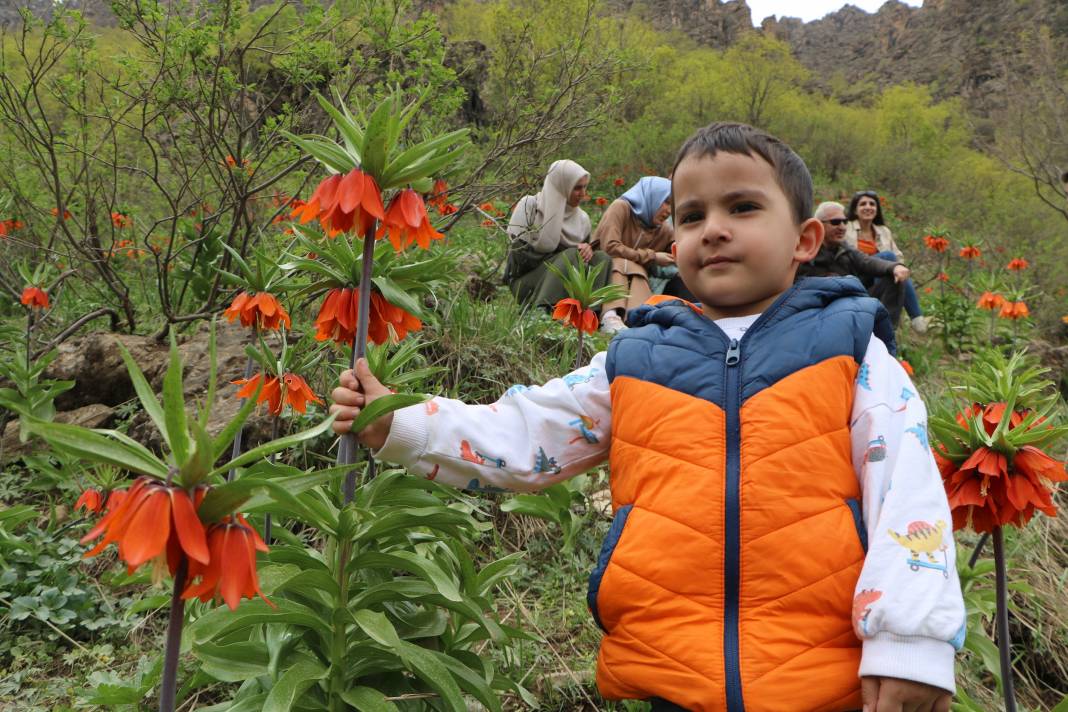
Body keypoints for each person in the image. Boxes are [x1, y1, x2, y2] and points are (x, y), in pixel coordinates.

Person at [330, 123, 964, 712]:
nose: (713, 228)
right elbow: (528, 430)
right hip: (669, 670)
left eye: (742, 208)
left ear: (804, 240)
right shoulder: (636, 355)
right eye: (692, 216)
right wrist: (401, 422)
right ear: (674, 238)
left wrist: (910, 639)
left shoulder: (850, 347)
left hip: (824, 678)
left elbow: (906, 490)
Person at [503, 159, 612, 309]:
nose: (583, 194)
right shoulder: (531, 206)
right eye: (577, 188)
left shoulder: (582, 219)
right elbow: (517, 260)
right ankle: (544, 310)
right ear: (561, 187)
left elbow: (582, 263)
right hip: (527, 285)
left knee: (602, 258)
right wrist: (568, 252)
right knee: (570, 255)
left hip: (566, 285)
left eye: (585, 187)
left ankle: (590, 314)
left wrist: (586, 251)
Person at [800, 201, 911, 326]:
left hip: (852, 302)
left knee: (894, 277)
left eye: (844, 221)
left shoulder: (844, 248)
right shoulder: (806, 250)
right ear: (819, 225)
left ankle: (886, 331)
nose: (842, 227)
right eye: (835, 222)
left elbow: (866, 261)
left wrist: (895, 267)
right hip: (820, 311)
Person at [591, 176, 677, 334]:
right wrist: (652, 257)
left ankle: (638, 321)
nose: (669, 210)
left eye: (673, 205)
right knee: (622, 263)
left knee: (637, 269)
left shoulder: (662, 229)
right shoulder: (621, 207)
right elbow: (610, 247)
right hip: (601, 272)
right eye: (666, 202)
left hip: (636, 278)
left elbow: (681, 245)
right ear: (653, 195)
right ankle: (610, 316)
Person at [845, 190, 930, 332]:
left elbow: (899, 256)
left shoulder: (884, 231)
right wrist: (893, 265)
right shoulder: (846, 228)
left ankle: (888, 323)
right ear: (855, 209)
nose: (868, 207)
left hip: (877, 282)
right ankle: (916, 317)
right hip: (856, 277)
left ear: (876, 209)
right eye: (863, 204)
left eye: (872, 204)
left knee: (895, 268)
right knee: (889, 258)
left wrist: (897, 269)